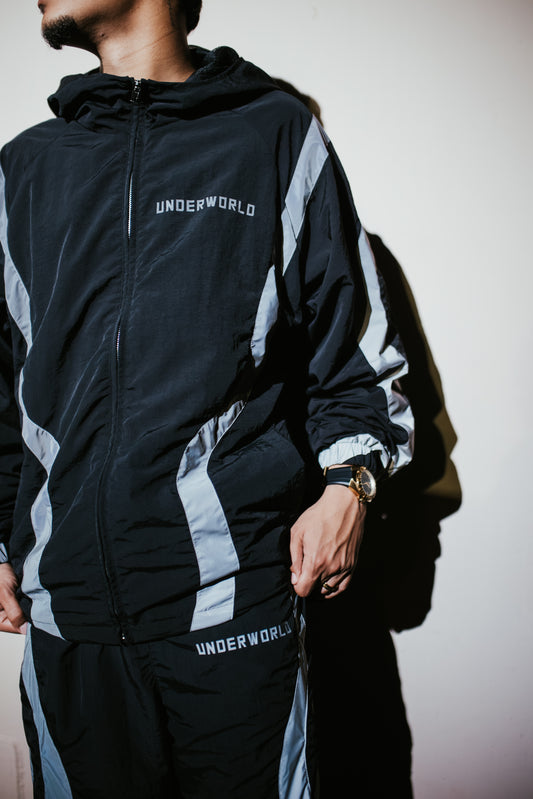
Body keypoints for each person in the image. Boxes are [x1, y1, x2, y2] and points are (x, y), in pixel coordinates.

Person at [0, 1, 414, 797]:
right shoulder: (22, 168)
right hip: (68, 623)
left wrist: (349, 486)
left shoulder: (271, 135)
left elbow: (353, 349)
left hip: (232, 611)